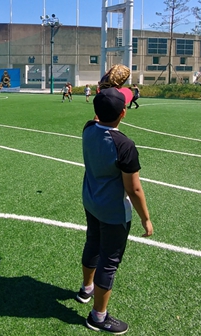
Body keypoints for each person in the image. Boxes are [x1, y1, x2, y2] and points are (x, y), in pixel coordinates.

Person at [76, 87, 153, 334]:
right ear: (123, 113)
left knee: (92, 243)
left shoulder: (88, 128)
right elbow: (134, 189)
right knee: (109, 261)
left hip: (91, 201)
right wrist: (146, 218)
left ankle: (86, 289)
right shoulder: (124, 145)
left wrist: (106, 88)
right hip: (113, 211)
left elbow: (98, 117)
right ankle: (98, 317)